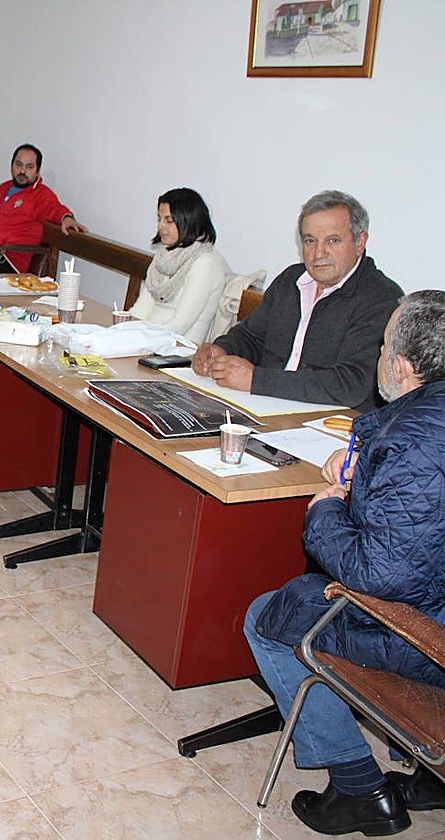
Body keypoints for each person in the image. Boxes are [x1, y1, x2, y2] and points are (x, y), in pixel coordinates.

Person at [243, 290, 445, 836]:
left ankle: (359, 789)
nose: (379, 356)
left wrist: (326, 510)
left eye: (383, 347)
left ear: (401, 366)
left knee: (271, 615)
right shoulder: (419, 428)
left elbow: (380, 575)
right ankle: (434, 781)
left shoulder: (413, 443)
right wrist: (365, 460)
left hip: (427, 634)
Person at [192, 190, 404, 410]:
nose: (319, 253)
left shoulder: (382, 298)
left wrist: (256, 380)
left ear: (360, 242)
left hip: (329, 421)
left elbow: (350, 384)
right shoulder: (291, 280)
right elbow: (251, 336)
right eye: (310, 241)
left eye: (333, 240)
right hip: (264, 406)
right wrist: (220, 350)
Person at [127, 187, 231, 343]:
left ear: (189, 222)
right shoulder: (164, 256)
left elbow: (180, 325)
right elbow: (141, 310)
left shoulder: (206, 263)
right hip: (148, 340)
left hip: (178, 348)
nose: (161, 226)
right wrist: (122, 331)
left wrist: (136, 341)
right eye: (159, 219)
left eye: (169, 221)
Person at [0, 143, 87, 273]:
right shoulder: (3, 188)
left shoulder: (41, 195)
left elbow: (55, 209)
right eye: (18, 164)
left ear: (37, 171)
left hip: (7, 260)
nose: (22, 171)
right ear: (11, 165)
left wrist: (67, 218)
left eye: (30, 167)